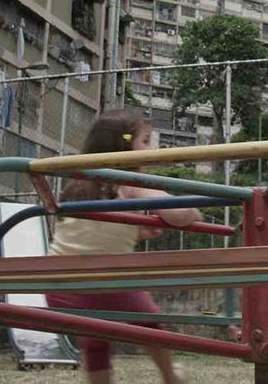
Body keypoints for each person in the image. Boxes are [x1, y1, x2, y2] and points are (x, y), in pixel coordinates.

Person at [45, 110, 198, 384]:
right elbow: (180, 213)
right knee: (150, 323)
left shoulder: (77, 185)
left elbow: (92, 236)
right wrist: (195, 212)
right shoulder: (129, 184)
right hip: (106, 283)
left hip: (60, 286)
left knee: (96, 342)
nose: (150, 150)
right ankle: (170, 375)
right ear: (127, 147)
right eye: (146, 141)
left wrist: (136, 231)